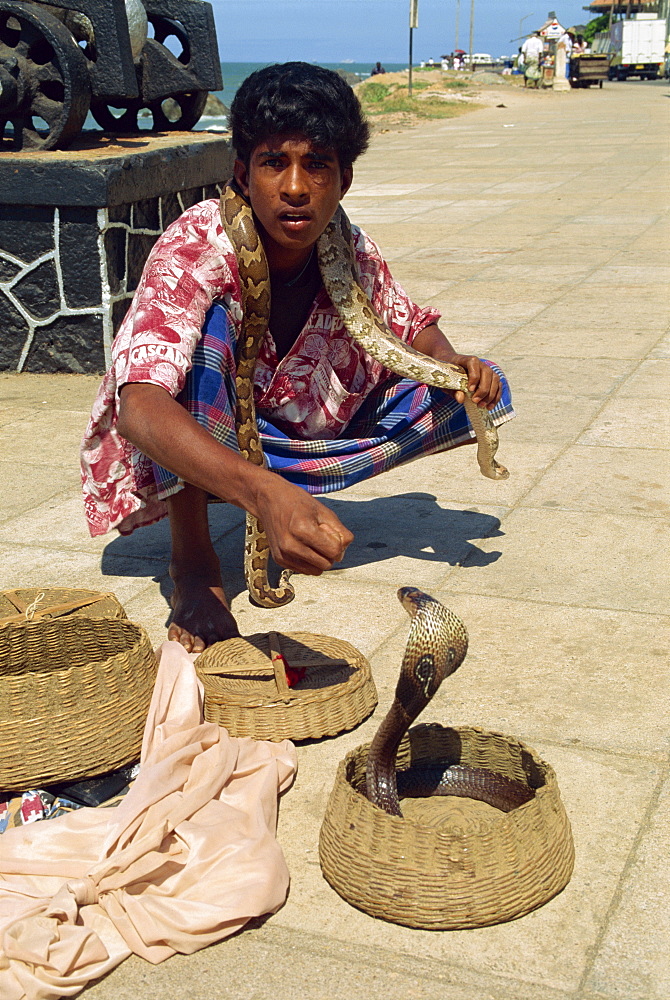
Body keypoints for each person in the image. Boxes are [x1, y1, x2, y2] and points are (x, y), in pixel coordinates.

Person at [81, 62, 514, 652]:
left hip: (296, 435)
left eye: (316, 165)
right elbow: (138, 407)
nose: (294, 187)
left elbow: (408, 323)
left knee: (482, 391)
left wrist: (452, 362)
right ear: (241, 172)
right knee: (200, 344)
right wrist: (262, 495)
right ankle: (196, 565)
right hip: (214, 437)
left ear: (344, 179)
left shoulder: (345, 241)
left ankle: (289, 483)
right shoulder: (197, 244)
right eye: (273, 163)